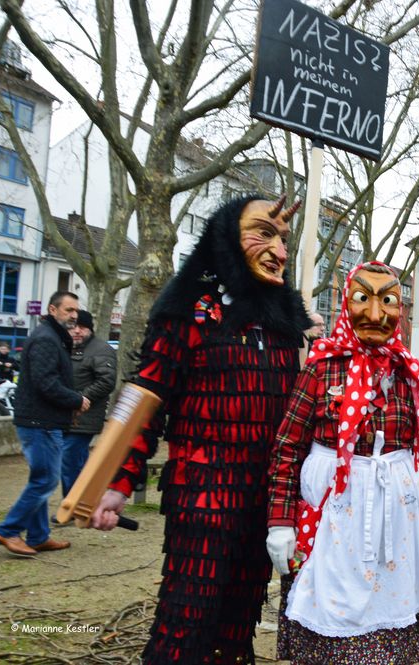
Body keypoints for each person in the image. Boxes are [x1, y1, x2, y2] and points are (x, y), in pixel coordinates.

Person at [90, 195, 309, 664]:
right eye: (264, 233)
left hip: (263, 501)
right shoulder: (188, 308)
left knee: (239, 622)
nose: (280, 251)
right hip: (203, 494)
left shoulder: (282, 321)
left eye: (285, 240)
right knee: (186, 621)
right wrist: (114, 481)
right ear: (228, 236)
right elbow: (145, 395)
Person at [267, 261, 419, 664]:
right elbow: (287, 447)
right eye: (363, 299)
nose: (375, 314)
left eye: (389, 301)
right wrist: (280, 521)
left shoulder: (407, 372)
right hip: (334, 519)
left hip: (398, 522)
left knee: (390, 622)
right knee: (330, 620)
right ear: (346, 303)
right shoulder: (322, 366)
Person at [0, 291, 86, 557]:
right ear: (52, 310)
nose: (73, 315)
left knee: (41, 478)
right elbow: (45, 382)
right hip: (39, 421)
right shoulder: (47, 339)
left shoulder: (52, 337)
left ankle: (38, 536)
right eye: (68, 310)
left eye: (75, 311)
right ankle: (9, 530)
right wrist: (76, 400)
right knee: (45, 480)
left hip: (43, 420)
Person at [60, 309, 117, 498]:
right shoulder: (66, 347)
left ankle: (72, 504)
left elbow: (106, 381)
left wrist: (80, 399)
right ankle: (87, 499)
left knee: (69, 459)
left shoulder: (101, 349)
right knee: (76, 461)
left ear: (90, 329)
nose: (77, 331)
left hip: (84, 416)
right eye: (73, 327)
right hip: (65, 415)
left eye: (82, 327)